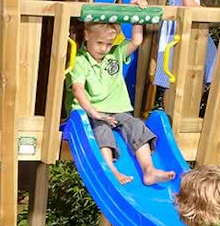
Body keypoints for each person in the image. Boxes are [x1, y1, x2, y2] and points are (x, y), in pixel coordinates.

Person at [70, 20, 176, 187]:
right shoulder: (80, 60)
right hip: (94, 112)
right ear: (87, 35)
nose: (103, 48)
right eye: (99, 43)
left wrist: (138, 17)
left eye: (108, 44)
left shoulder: (115, 54)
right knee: (101, 129)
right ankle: (111, 169)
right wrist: (94, 112)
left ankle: (149, 170)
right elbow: (78, 89)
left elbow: (136, 41)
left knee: (136, 126)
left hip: (119, 110)